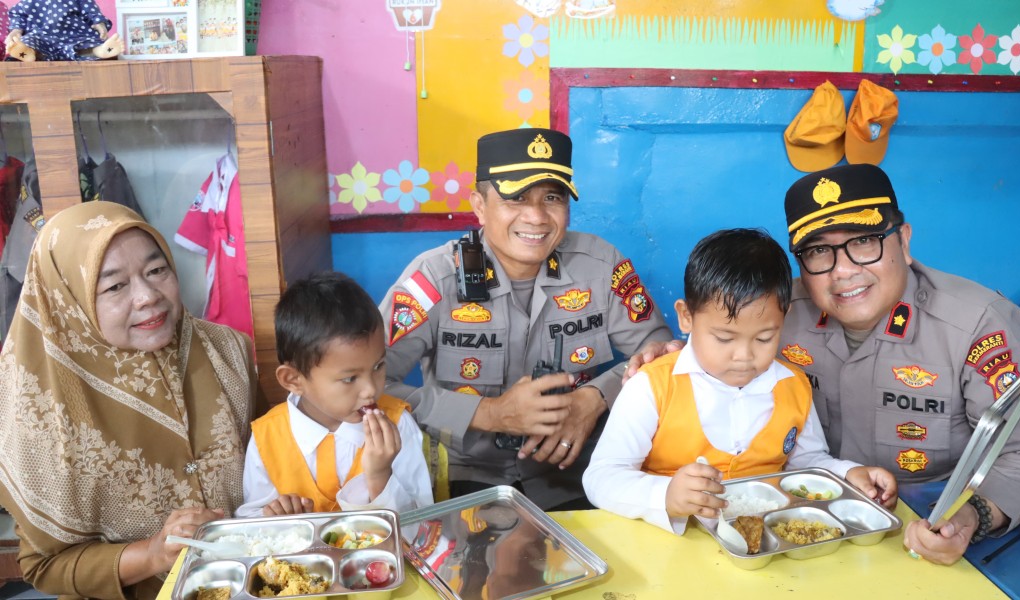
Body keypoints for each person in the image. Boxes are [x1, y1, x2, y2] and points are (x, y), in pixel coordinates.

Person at [627, 163, 1020, 564]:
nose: (842, 270)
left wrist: (971, 519)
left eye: (864, 241)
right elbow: (705, 354)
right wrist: (670, 355)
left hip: (933, 521)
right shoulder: (773, 314)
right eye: (819, 251)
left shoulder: (975, 324)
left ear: (904, 239)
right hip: (798, 525)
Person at [381, 128, 674, 510]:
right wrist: (489, 413)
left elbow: (661, 359)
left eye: (552, 197)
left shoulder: (601, 266)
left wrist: (595, 399)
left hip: (577, 468)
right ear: (480, 205)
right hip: (466, 475)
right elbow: (367, 389)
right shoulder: (432, 280)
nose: (536, 217)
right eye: (516, 198)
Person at [0, 202, 255, 599]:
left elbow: (273, 460)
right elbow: (45, 564)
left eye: (156, 271)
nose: (148, 296)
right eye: (115, 286)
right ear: (69, 300)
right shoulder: (39, 407)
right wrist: (151, 555)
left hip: (254, 581)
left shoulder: (227, 352)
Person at [584, 229, 897, 533]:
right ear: (686, 317)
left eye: (764, 337)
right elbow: (601, 478)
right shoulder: (652, 386)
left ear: (783, 318)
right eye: (724, 338)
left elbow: (808, 463)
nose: (744, 356)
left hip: (760, 547)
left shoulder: (793, 386)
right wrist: (664, 495)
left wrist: (848, 473)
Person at [237, 272, 432, 517]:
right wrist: (273, 518)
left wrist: (380, 476)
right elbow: (249, 525)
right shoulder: (267, 437)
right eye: (349, 378)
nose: (371, 389)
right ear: (293, 380)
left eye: (378, 366)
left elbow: (422, 528)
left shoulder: (398, 424)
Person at [4, 0, 123, 62]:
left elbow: (91, 10)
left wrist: (99, 23)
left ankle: (98, 51)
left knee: (90, 42)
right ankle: (27, 53)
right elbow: (18, 14)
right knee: (28, 41)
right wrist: (16, 30)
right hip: (41, 36)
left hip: (75, 35)